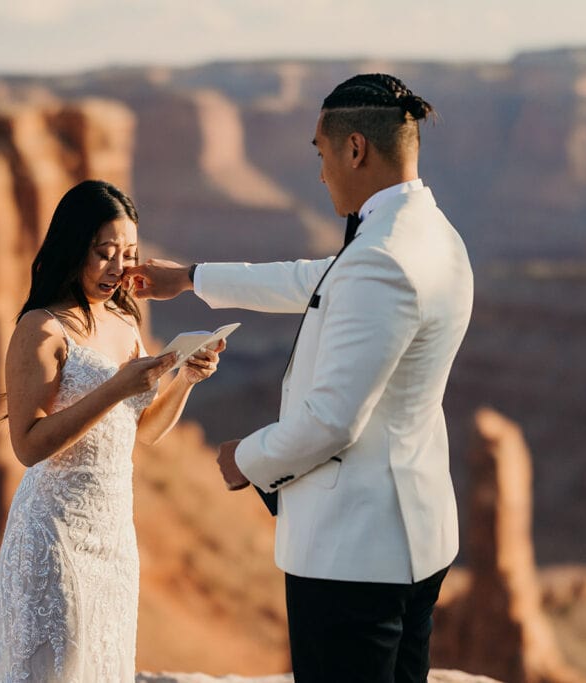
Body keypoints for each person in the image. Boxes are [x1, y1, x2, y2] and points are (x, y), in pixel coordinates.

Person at [125, 74, 474, 682]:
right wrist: (191, 277)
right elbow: (316, 278)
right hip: (414, 535)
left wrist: (246, 459)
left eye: (320, 152)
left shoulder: (383, 259)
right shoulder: (431, 233)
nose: (319, 174)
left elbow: (333, 423)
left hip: (354, 554)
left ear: (355, 149)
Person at [0, 180, 225, 682]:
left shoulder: (124, 320)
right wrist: (116, 389)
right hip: (53, 532)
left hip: (114, 533)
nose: (120, 268)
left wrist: (185, 379)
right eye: (105, 253)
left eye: (130, 254)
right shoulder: (41, 329)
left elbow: (142, 432)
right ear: (73, 247)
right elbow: (28, 447)